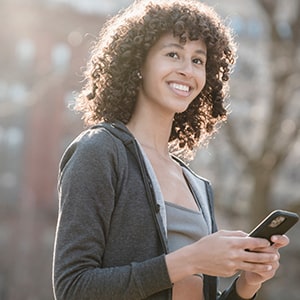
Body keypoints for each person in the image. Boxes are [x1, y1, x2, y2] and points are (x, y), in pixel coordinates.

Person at [52, 0, 289, 299]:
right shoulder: (99, 151)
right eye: (173, 54)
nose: (187, 70)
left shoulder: (197, 185)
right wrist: (192, 259)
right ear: (138, 63)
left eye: (198, 60)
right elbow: (73, 288)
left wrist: (247, 284)